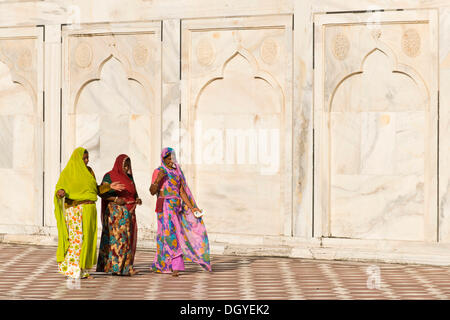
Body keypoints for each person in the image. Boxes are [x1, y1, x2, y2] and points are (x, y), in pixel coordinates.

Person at [54, 147, 125, 279]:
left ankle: (82, 270)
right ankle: (71, 269)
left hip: (89, 209)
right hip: (75, 209)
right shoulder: (68, 172)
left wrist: (109, 187)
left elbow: (95, 189)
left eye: (87, 158)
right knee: (77, 238)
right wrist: (60, 193)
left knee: (88, 240)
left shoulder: (89, 171)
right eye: (84, 158)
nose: (86, 161)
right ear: (77, 158)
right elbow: (60, 188)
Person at [149, 147, 211, 276]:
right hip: (164, 206)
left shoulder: (177, 171)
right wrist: (158, 179)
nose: (171, 159)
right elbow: (152, 191)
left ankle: (164, 264)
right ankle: (174, 265)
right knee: (167, 234)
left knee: (175, 234)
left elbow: (181, 191)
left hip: (176, 208)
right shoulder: (159, 171)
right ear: (163, 158)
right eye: (169, 157)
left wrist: (192, 207)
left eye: (172, 157)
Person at [96, 154, 142, 276]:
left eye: (128, 165)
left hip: (130, 212)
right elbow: (101, 192)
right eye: (125, 165)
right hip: (116, 214)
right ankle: (116, 268)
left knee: (129, 240)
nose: (127, 167)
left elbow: (134, 193)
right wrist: (116, 199)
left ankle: (127, 267)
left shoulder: (129, 177)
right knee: (118, 241)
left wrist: (137, 199)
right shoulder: (110, 176)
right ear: (119, 164)